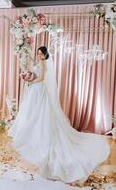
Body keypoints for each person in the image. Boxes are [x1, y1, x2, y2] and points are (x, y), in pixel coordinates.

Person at [8, 46, 110, 184]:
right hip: (35, 90)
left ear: (45, 55)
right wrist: (28, 73)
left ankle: (37, 138)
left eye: (41, 54)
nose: (39, 56)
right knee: (33, 114)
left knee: (39, 115)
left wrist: (30, 81)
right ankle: (31, 136)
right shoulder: (39, 61)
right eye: (38, 54)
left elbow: (42, 78)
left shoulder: (44, 63)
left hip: (39, 89)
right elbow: (34, 68)